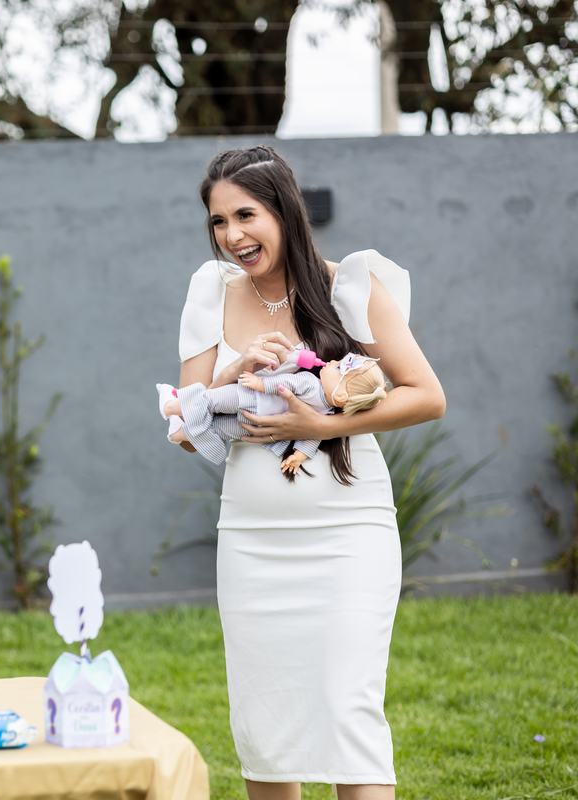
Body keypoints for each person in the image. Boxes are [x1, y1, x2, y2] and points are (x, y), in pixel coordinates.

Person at [174, 145, 445, 800]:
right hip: (251, 541)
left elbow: (424, 394)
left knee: (348, 713)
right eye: (218, 222)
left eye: (246, 214)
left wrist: (320, 428)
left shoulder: (350, 285)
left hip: (349, 535)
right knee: (265, 731)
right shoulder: (210, 292)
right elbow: (185, 428)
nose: (232, 235)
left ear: (285, 211)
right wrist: (234, 375)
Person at [156, 353, 388, 476]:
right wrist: (300, 454)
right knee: (215, 415)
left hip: (252, 402)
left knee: (213, 410)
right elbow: (312, 432)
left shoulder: (312, 385)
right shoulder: (325, 414)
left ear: (341, 397)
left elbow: (285, 384)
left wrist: (300, 455)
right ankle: (175, 423)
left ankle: (174, 416)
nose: (333, 362)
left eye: (338, 369)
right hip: (256, 413)